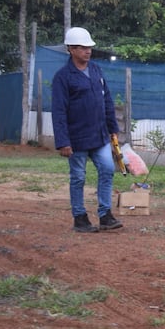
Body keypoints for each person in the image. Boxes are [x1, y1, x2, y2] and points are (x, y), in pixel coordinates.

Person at [52, 26, 123, 233]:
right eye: (83, 48)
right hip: (76, 138)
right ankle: (80, 217)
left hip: (100, 135)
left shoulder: (96, 70)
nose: (88, 51)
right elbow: (58, 111)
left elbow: (106, 100)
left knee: (108, 169)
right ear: (71, 49)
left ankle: (105, 215)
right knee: (78, 177)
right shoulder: (63, 77)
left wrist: (113, 128)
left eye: (89, 47)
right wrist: (63, 141)